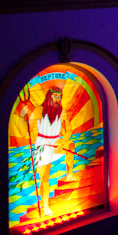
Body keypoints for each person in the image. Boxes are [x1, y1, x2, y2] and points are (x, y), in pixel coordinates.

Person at [20, 86, 75, 216]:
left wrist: (62, 141)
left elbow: (69, 130)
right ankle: (45, 206)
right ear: (49, 97)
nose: (57, 99)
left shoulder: (61, 112)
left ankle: (69, 174)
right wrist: (22, 117)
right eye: (55, 96)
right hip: (42, 144)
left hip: (56, 142)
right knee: (45, 177)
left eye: (59, 97)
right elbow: (24, 133)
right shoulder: (38, 111)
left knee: (71, 145)